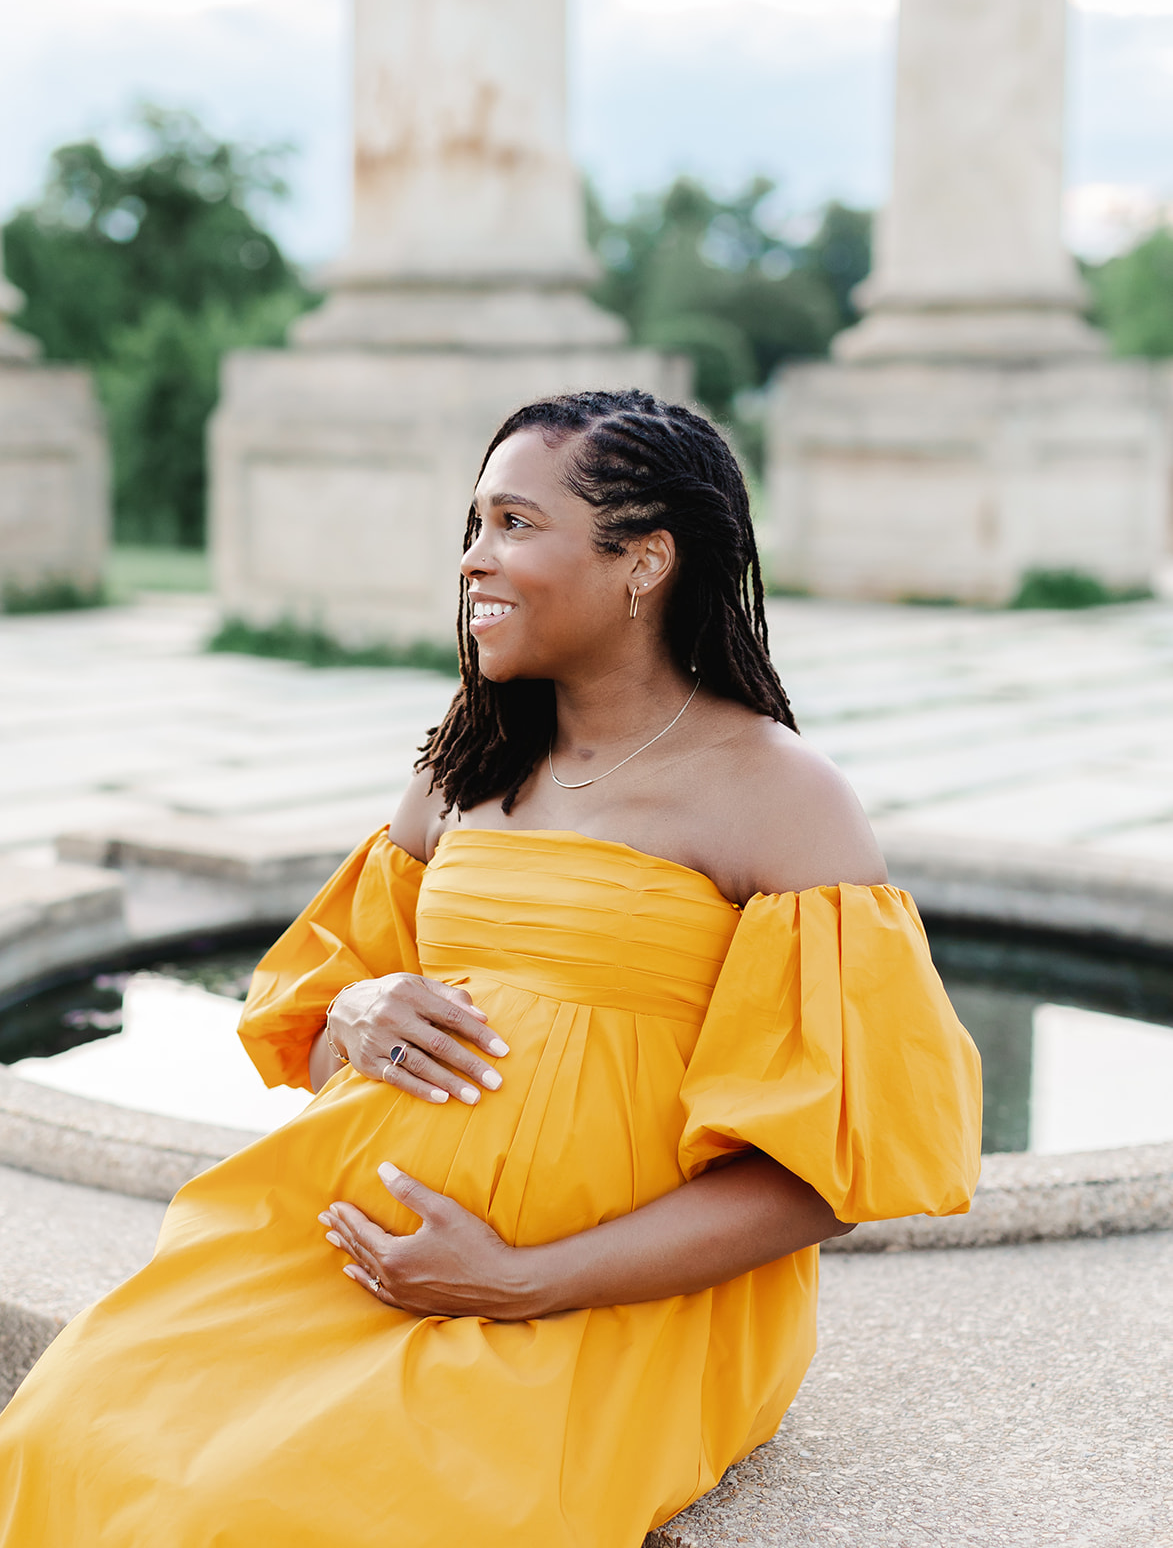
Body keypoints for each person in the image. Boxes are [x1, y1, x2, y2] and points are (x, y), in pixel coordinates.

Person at [0, 390, 982, 1547]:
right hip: (353, 1249)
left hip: (609, 1303)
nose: (475, 560)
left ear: (645, 559)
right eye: (474, 526)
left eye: (516, 523)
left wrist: (519, 1279)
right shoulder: (469, 762)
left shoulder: (777, 795)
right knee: (69, 1425)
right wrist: (358, 1008)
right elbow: (315, 1036)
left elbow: (827, 1174)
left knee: (271, 1510)